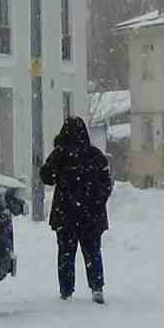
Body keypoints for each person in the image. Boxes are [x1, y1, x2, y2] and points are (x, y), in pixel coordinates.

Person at [40, 117, 113, 304]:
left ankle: (66, 290)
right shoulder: (96, 155)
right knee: (93, 252)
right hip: (91, 216)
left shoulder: (61, 154)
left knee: (66, 253)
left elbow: (46, 176)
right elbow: (106, 184)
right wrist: (96, 202)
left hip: (66, 215)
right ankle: (97, 287)